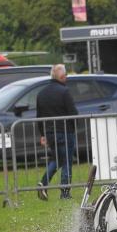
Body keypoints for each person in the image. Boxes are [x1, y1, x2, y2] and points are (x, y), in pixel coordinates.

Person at [36, 64, 78, 200]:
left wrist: (43, 134)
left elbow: (39, 117)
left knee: (57, 159)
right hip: (65, 132)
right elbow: (73, 113)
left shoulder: (41, 93)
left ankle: (43, 183)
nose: (66, 78)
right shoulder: (64, 92)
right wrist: (73, 128)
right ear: (61, 76)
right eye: (65, 75)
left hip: (50, 133)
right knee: (66, 162)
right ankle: (65, 192)